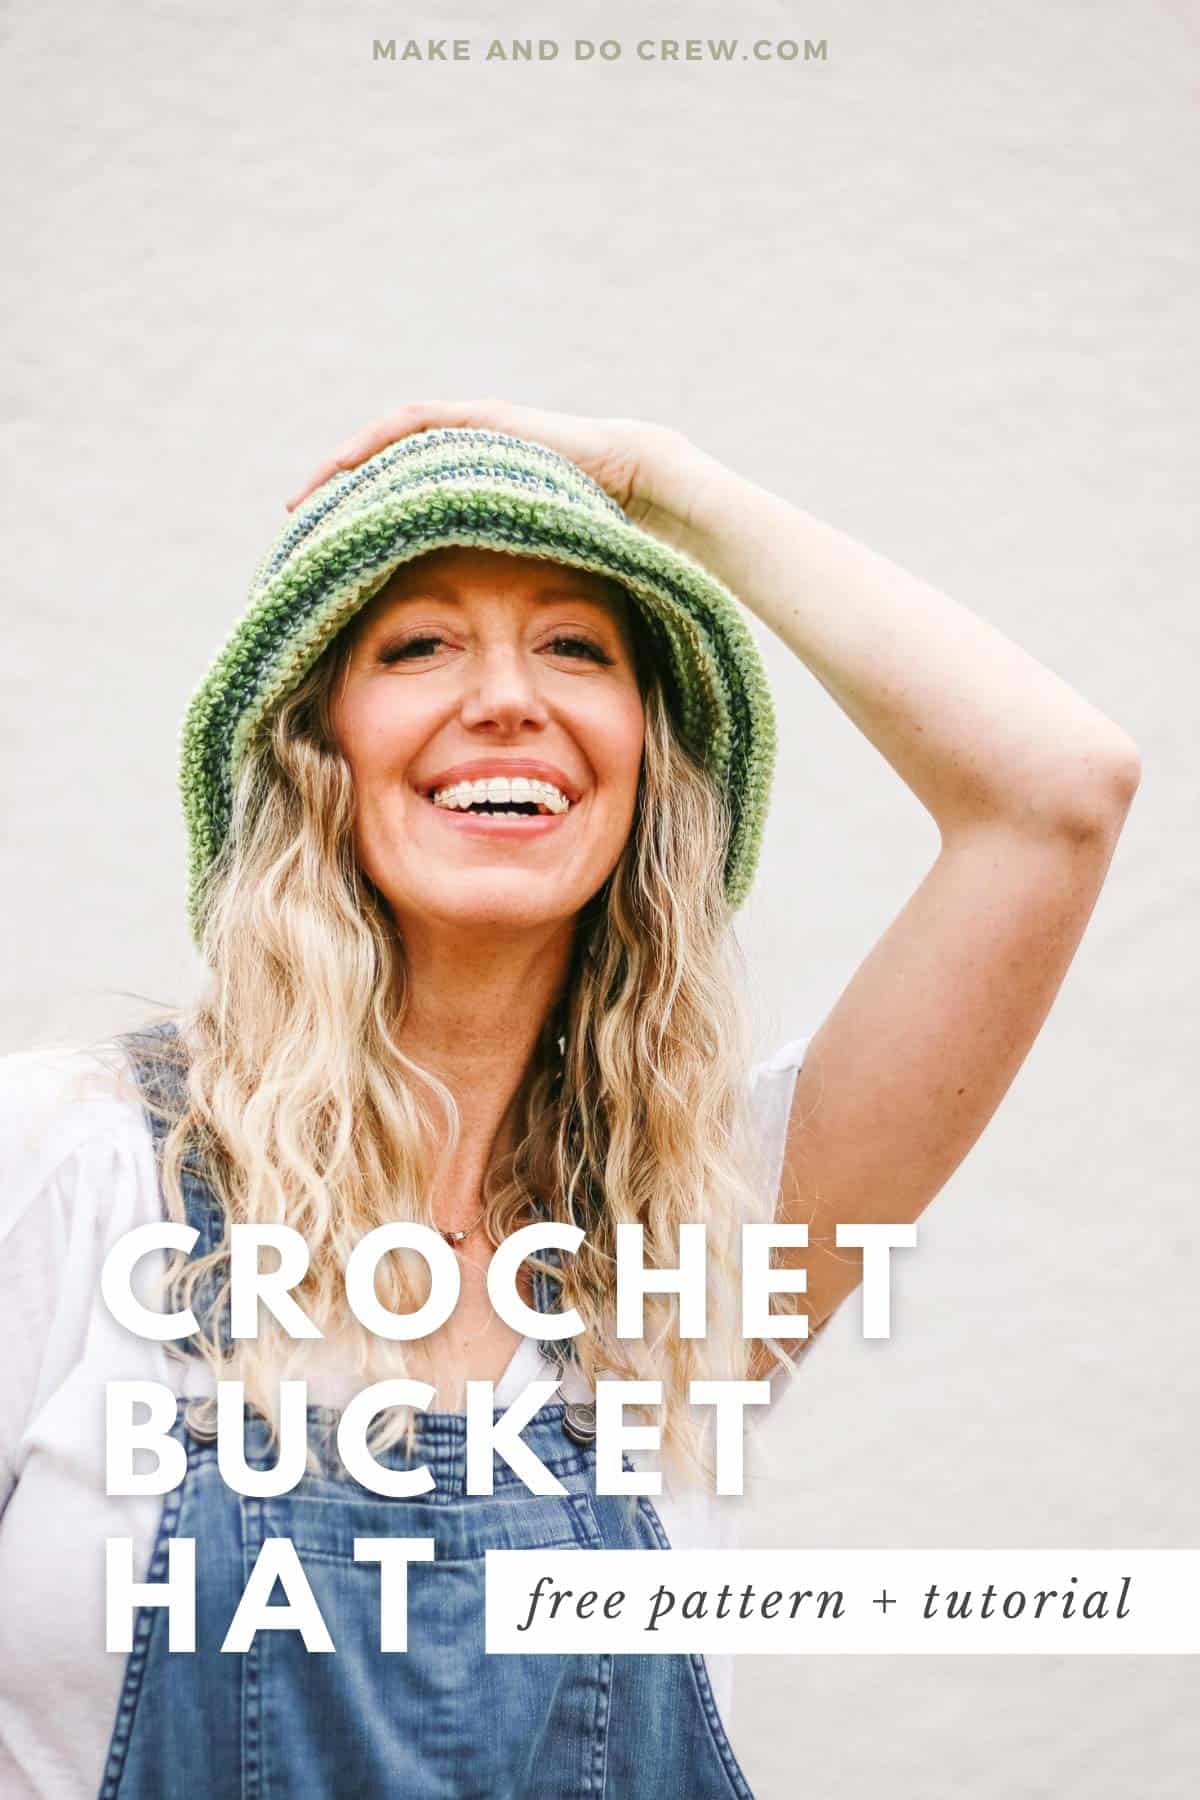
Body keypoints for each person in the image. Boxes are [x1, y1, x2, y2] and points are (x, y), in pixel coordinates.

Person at [0, 403, 1140, 1799]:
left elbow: (1058, 793)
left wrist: (674, 481)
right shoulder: (77, 1167)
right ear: (310, 748)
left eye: (577, 647)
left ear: (647, 763)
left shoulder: (707, 1234)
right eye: (417, 644)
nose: (506, 699)